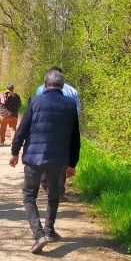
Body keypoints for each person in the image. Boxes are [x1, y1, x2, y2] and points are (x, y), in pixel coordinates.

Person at [10, 68, 80, 254]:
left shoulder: (35, 101)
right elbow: (75, 138)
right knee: (53, 193)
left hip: (34, 156)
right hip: (58, 159)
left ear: (45, 84)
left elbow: (22, 130)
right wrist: (73, 163)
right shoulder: (70, 105)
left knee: (29, 195)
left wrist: (14, 151)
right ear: (62, 86)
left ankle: (38, 234)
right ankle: (49, 230)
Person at [35, 66, 80, 201]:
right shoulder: (72, 90)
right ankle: (59, 191)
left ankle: (44, 185)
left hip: (45, 128)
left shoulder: (41, 89)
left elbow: (39, 107)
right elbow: (76, 111)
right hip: (65, 129)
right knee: (62, 159)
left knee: (45, 155)